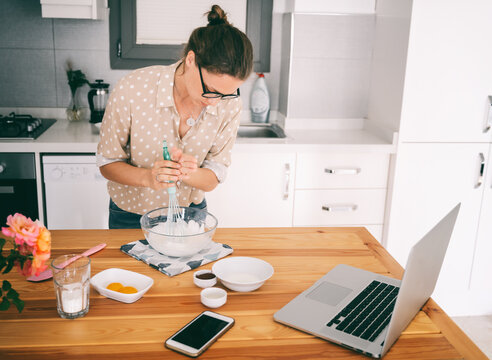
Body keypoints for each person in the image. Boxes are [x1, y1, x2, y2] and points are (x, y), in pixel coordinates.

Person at [97, 5, 253, 229]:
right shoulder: (132, 88)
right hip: (130, 217)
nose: (214, 101)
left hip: (191, 215)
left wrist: (191, 173)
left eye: (226, 93)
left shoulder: (230, 103)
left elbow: (214, 175)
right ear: (191, 60)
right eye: (210, 89)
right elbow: (107, 163)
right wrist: (148, 178)